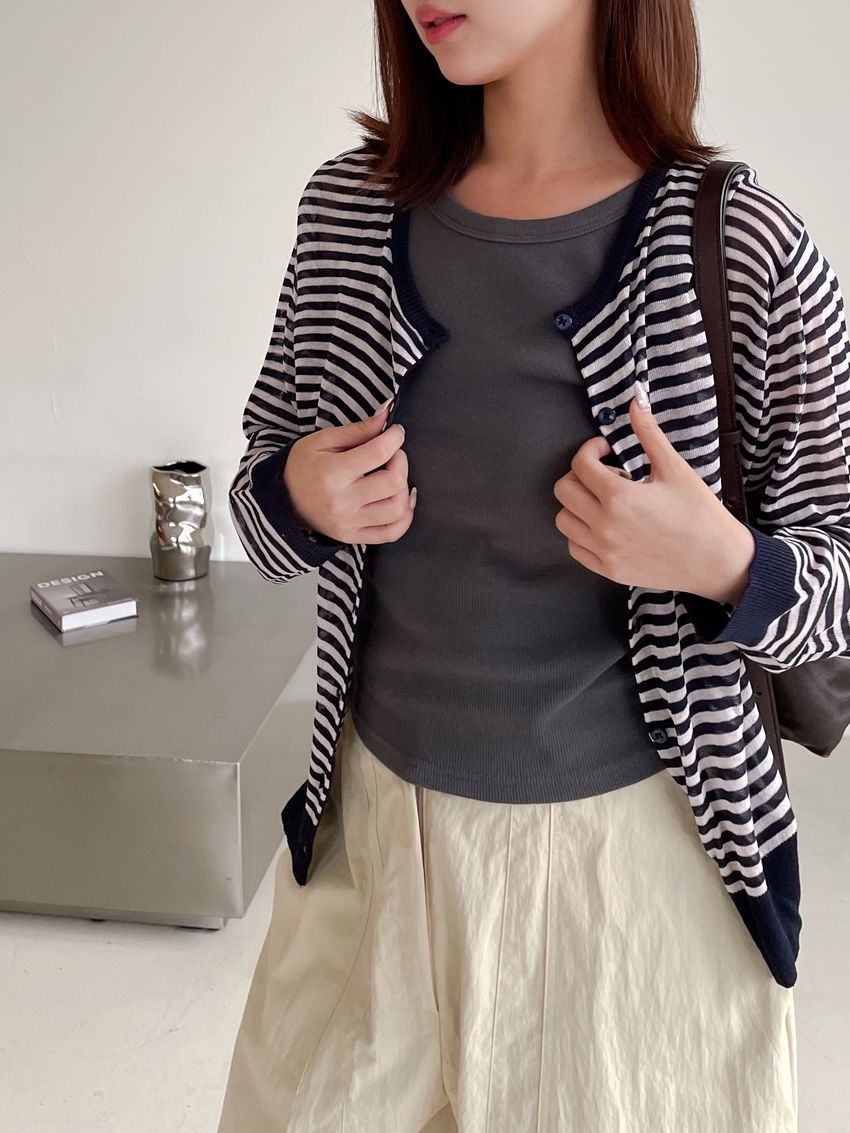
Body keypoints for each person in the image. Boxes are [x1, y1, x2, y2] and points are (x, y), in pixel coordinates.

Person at [218, 1, 850, 1129]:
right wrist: (300, 495)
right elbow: (259, 501)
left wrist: (726, 564)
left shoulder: (743, 245)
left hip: (635, 884)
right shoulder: (348, 211)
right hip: (370, 843)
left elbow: (838, 581)